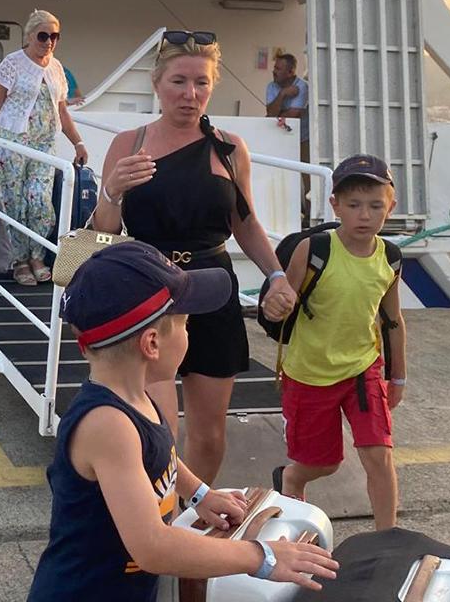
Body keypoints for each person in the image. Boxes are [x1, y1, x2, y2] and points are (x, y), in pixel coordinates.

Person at [27, 241, 338, 601]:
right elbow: (153, 547)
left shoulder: (135, 396)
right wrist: (261, 557)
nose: (190, 334)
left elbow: (160, 456)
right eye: (186, 325)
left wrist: (198, 493)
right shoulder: (107, 425)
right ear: (152, 344)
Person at [92, 31, 297, 484]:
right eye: (179, 81)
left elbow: (246, 224)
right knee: (157, 430)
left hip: (212, 291)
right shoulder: (128, 144)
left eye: (201, 83)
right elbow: (104, 232)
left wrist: (277, 275)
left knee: (209, 434)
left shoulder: (230, 148)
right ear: (157, 84)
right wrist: (112, 192)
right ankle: (157, 514)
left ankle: (193, 514)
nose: (190, 94)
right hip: (149, 291)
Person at [264, 154, 407, 531]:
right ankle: (292, 478)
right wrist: (275, 306)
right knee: (324, 463)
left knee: (379, 456)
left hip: (362, 369)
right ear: (335, 205)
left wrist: (398, 376)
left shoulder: (391, 258)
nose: (365, 215)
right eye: (354, 205)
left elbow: (392, 319)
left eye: (375, 206)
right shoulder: (314, 250)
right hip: (309, 372)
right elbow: (281, 302)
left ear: (390, 207)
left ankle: (387, 540)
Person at [0, 9, 87, 286]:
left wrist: (78, 142)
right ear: (29, 36)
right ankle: (19, 260)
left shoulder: (56, 68)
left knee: (39, 201)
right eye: (43, 36)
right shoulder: (12, 64)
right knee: (14, 203)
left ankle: (37, 255)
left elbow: (62, 111)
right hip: (11, 142)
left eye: (55, 36)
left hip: (44, 144)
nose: (49, 41)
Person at [265, 53, 311, 221]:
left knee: (308, 177)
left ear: (291, 72)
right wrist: (283, 94)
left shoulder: (302, 87)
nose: (274, 71)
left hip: (303, 138)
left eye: (278, 68)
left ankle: (310, 216)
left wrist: (278, 113)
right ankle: (280, 216)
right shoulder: (272, 87)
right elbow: (271, 114)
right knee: (279, 174)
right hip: (281, 138)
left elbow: (293, 116)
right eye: (274, 67)